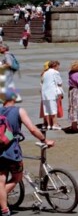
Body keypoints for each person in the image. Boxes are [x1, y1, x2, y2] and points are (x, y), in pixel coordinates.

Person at [0, 87, 54, 216]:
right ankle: (2, 201)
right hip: (12, 151)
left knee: (1, 179)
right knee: (17, 177)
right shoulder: (19, 111)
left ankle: (4, 209)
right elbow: (33, 129)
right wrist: (45, 140)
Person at [39, 61, 63, 130]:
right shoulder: (55, 72)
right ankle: (55, 124)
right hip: (52, 93)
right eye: (58, 66)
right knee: (53, 109)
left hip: (44, 93)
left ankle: (48, 125)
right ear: (55, 66)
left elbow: (42, 82)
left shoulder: (45, 73)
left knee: (46, 109)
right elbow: (60, 82)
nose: (59, 68)